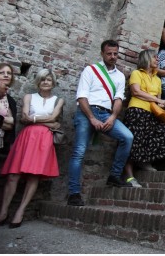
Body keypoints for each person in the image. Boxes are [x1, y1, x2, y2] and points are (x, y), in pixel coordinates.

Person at [0, 69, 64, 229]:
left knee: (33, 176)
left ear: (53, 83)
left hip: (44, 140)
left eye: (49, 80)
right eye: (42, 79)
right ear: (38, 81)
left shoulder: (59, 100)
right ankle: (2, 212)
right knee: (13, 175)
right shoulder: (29, 97)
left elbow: (54, 119)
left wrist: (35, 119)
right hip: (27, 137)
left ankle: (20, 211)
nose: (45, 82)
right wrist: (49, 122)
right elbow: (24, 118)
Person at [67, 40, 134, 206]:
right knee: (79, 152)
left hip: (106, 114)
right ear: (102, 54)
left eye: (115, 54)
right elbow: (82, 97)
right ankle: (73, 193)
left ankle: (114, 175)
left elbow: (118, 99)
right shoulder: (91, 70)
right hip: (86, 112)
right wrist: (91, 118)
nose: (112, 57)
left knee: (127, 137)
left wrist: (112, 117)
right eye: (109, 53)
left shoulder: (119, 76)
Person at [122, 50, 165, 187]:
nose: (157, 59)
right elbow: (136, 92)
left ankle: (144, 161)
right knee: (134, 142)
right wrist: (154, 98)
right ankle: (129, 176)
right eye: (154, 57)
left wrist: (161, 103)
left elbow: (157, 99)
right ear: (146, 58)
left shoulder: (158, 79)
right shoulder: (137, 73)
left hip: (152, 113)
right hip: (136, 111)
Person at [0, 63, 17, 180]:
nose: (6, 75)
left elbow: (11, 124)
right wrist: (3, 121)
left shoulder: (11, 100)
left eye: (9, 73)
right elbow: (6, 121)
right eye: (1, 73)